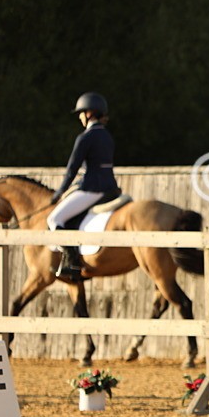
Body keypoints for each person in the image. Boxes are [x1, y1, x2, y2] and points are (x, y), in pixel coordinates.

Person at [48, 92, 121, 280]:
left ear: (89, 113)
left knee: (54, 219)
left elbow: (72, 169)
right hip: (110, 187)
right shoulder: (107, 136)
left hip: (93, 189)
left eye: (81, 113)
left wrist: (60, 192)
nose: (80, 117)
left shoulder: (85, 137)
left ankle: (71, 262)